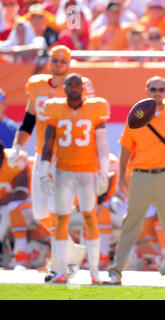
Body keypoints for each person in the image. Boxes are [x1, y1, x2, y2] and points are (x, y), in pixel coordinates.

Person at [9, 44, 95, 282]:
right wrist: (18, 145)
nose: (58, 65)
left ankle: (59, 268)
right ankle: (70, 250)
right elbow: (28, 120)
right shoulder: (37, 85)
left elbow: (91, 121)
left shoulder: (79, 86)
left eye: (63, 61)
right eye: (55, 60)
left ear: (70, 63)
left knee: (58, 212)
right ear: (49, 61)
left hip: (67, 158)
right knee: (40, 212)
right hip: (42, 155)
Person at [104, 76, 165, 287]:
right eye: (153, 88)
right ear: (147, 90)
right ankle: (115, 271)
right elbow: (126, 148)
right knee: (130, 224)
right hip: (141, 175)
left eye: (161, 89)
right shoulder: (137, 115)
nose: (157, 92)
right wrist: (122, 178)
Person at [39, 73, 110, 284]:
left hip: (87, 172)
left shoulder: (95, 107)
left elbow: (102, 144)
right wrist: (44, 170)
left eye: (77, 84)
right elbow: (48, 143)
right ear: (65, 88)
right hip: (64, 171)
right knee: (62, 218)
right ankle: (61, 270)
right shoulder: (55, 108)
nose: (74, 88)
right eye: (70, 84)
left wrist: (103, 171)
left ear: (83, 88)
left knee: (90, 217)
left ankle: (95, 272)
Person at [0, 140, 32, 267]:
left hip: (27, 206)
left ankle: (21, 254)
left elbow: (21, 193)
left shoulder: (15, 160)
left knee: (12, 207)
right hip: (4, 208)